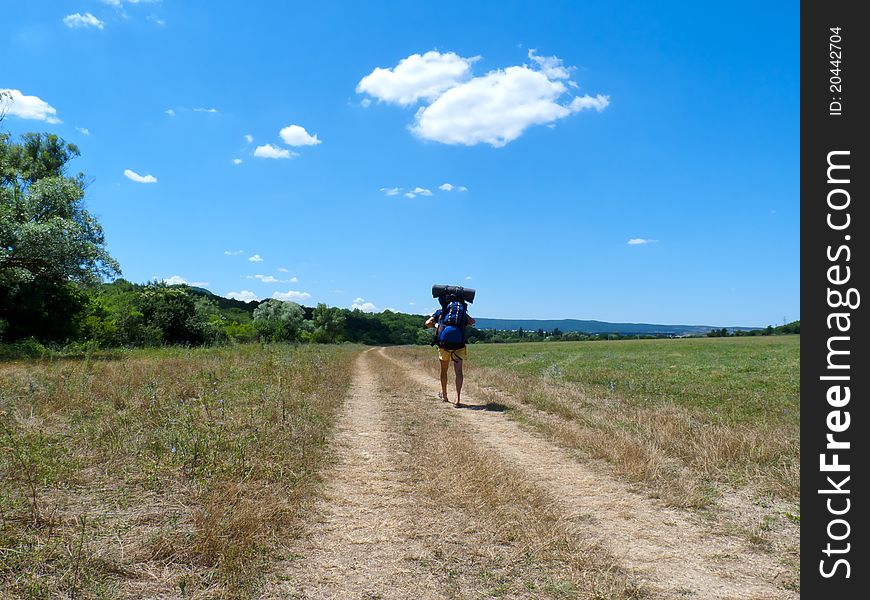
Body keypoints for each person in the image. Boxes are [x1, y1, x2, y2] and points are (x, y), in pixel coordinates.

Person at [425, 295, 475, 407]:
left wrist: (437, 327)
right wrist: (462, 325)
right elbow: (472, 321)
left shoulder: (441, 311)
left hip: (444, 346)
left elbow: (428, 323)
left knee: (444, 371)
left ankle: (445, 395)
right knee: (458, 372)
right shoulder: (461, 313)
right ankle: (457, 398)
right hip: (459, 346)